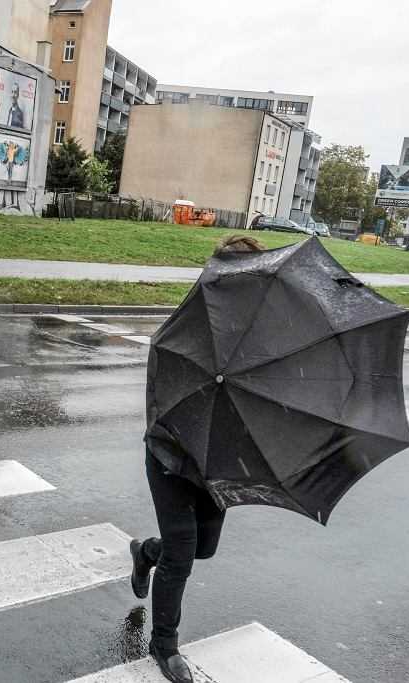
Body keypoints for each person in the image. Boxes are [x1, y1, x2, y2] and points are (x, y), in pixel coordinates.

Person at [129, 234, 265, 683]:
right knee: (184, 553)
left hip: (216, 463)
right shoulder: (188, 325)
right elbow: (161, 397)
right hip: (171, 455)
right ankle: (163, 645)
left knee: (202, 550)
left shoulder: (258, 334)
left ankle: (146, 551)